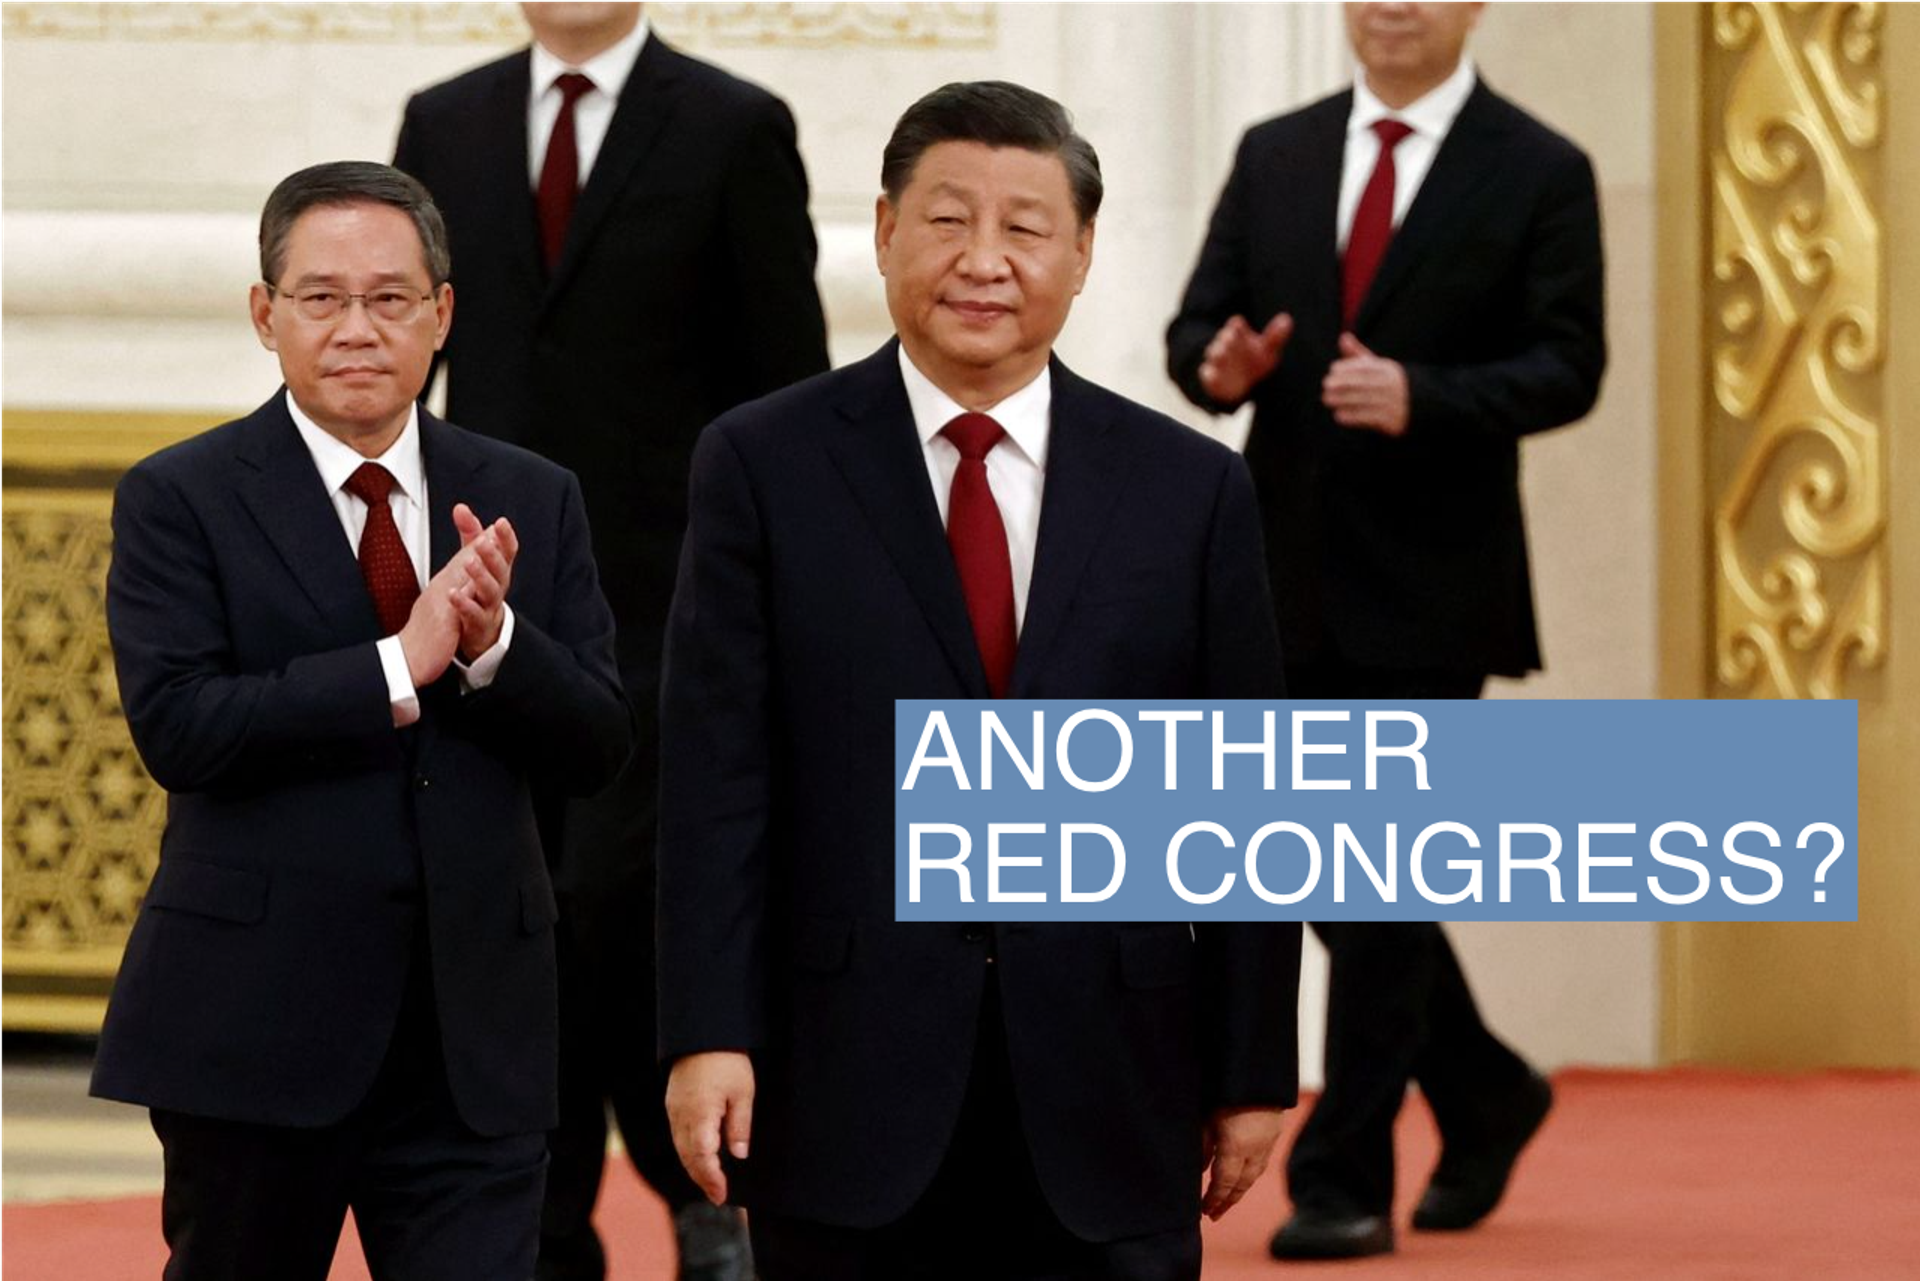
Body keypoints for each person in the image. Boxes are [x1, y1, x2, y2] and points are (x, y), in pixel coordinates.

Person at [655, 80, 1302, 1281]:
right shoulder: (763, 464)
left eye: (1026, 227)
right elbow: (715, 778)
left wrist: (1254, 1067)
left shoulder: (1189, 490)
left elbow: (1246, 795)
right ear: (886, 229)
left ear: (1084, 252)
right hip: (841, 1080)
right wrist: (707, 1032)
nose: (984, 261)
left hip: (1114, 1078)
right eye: (949, 221)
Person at [89, 161, 629, 1280]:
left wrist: (492, 649)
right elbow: (181, 727)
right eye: (320, 298)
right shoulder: (180, 496)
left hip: (474, 1038)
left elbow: (600, 744)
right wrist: (400, 660)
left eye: (390, 300)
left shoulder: (534, 492)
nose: (355, 329)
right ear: (264, 314)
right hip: (254, 1029)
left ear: (442, 315)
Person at [392, 3, 829, 1276]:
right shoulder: (446, 120)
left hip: (665, 595)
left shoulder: (736, 126)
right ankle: (555, 1217)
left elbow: (780, 378)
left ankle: (693, 1182)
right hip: (484, 586)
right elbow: (415, 351)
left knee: (612, 902)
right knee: (518, 903)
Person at [1166, 0, 1605, 1262]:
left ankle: (1345, 1173)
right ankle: (1483, 1090)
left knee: (1382, 873)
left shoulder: (1539, 168)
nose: (1391, 4)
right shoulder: (1276, 150)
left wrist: (1429, 397)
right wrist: (1222, 368)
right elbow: (1195, 334)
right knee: (1321, 869)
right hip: (1277, 564)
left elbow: (1572, 364)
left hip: (1436, 583)